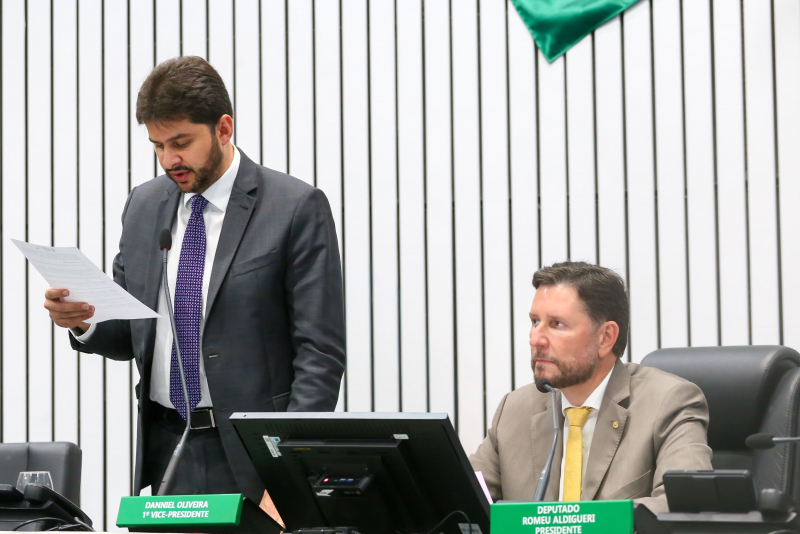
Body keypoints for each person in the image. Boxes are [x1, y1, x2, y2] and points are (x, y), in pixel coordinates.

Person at [43, 56, 346, 503]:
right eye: (158, 146)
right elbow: (131, 334)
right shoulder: (144, 206)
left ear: (223, 128)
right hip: (169, 449)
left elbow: (320, 355)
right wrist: (83, 320)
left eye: (181, 143)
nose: (169, 160)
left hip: (256, 457)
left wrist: (289, 472)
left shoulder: (295, 207)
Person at [469, 261, 712, 512]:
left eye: (557, 324)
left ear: (605, 338)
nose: (535, 339)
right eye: (535, 321)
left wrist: (572, 522)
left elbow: (685, 506)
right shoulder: (514, 410)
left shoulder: (668, 402)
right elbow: (461, 499)